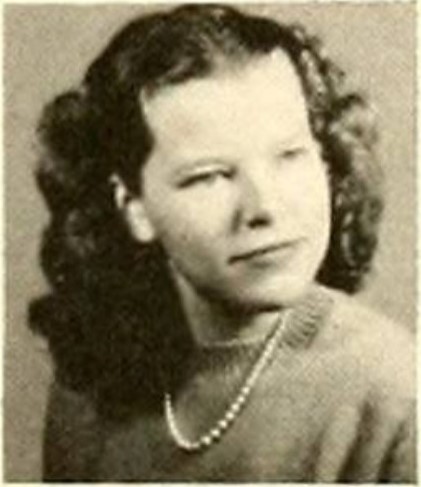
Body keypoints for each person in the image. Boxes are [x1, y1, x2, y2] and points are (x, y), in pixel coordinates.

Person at [30, 4, 415, 482]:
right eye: (210, 176)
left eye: (290, 155)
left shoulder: (398, 399)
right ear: (133, 205)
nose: (264, 207)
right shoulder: (89, 374)